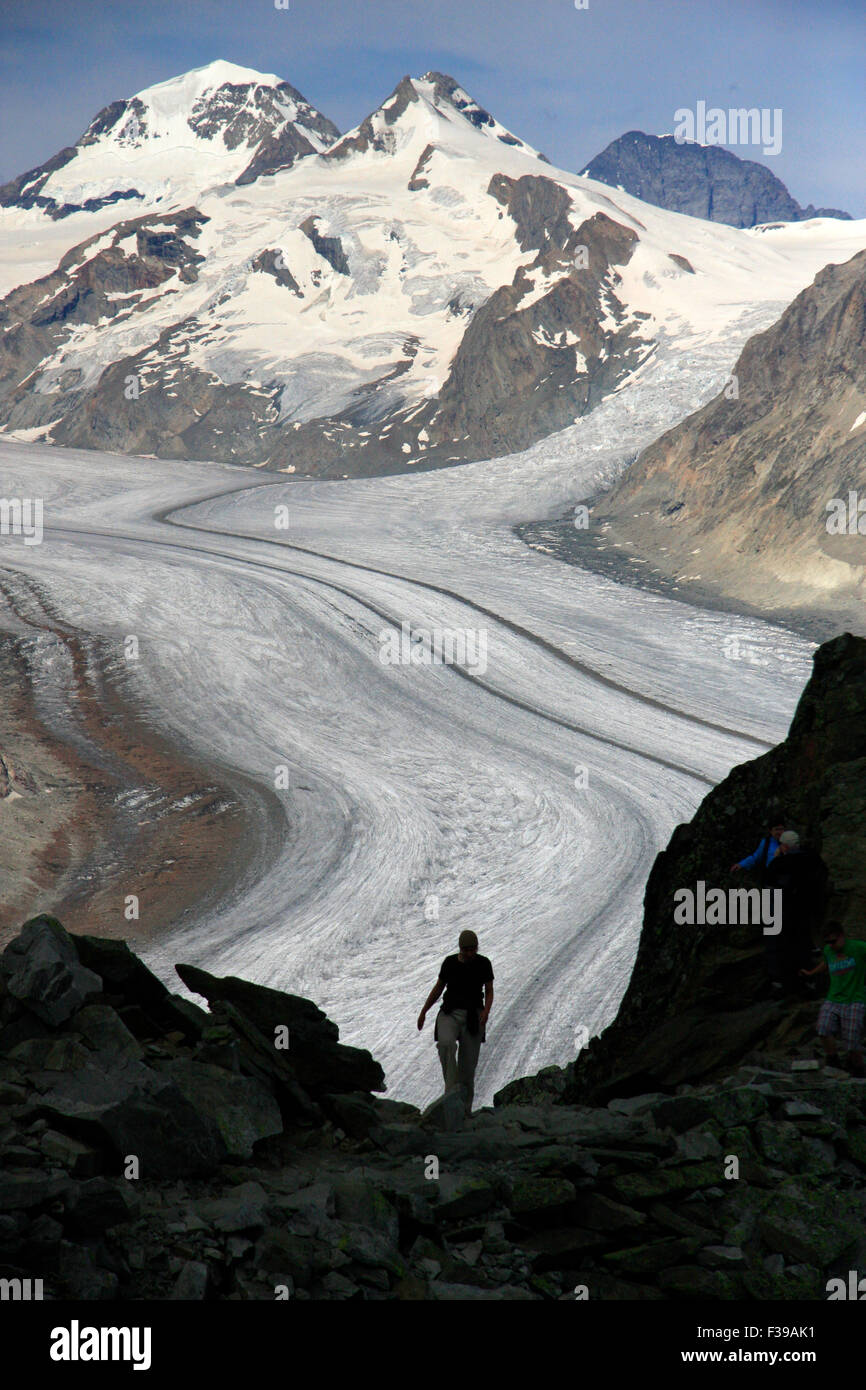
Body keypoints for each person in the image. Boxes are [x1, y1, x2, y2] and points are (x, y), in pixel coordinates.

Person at [417, 930, 494, 1118]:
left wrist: (486, 1011)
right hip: (449, 1012)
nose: (470, 953)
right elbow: (438, 988)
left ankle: (464, 1112)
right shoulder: (450, 963)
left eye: (473, 949)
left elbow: (489, 990)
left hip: (473, 1016)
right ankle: (450, 1094)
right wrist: (424, 1011)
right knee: (445, 1044)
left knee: (468, 1069)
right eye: (466, 950)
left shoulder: (483, 963)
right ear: (460, 948)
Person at [765, 830, 828, 993]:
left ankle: (781, 983)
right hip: (806, 909)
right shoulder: (812, 858)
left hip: (786, 910)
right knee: (803, 946)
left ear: (784, 846)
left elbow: (770, 879)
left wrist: (777, 857)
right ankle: (808, 981)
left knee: (781, 946)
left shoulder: (781, 863)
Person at [800, 923, 866, 1076]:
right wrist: (811, 973)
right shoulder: (829, 951)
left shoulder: (859, 947)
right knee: (823, 1028)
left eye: (834, 941)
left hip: (855, 999)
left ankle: (857, 1068)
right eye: (828, 942)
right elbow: (826, 963)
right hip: (833, 998)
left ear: (842, 935)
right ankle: (833, 1059)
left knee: (851, 1041)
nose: (831, 945)